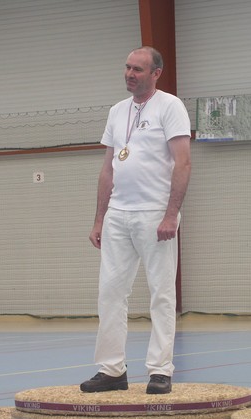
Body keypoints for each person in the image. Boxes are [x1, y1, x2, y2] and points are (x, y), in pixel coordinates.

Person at [80, 46, 191, 395]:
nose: (130, 74)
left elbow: (183, 163)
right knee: (110, 292)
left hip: (155, 213)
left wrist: (171, 214)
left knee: (161, 292)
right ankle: (112, 369)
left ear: (156, 73)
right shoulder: (117, 111)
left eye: (138, 69)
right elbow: (108, 168)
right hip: (118, 214)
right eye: (127, 67)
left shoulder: (170, 106)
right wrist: (99, 218)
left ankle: (160, 370)